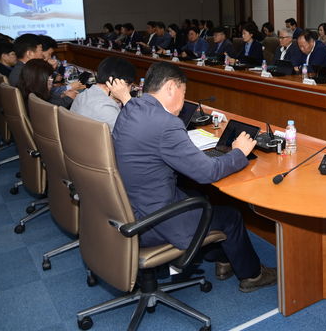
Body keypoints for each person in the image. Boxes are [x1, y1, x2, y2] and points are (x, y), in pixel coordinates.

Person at [112, 62, 276, 292]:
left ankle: (223, 260)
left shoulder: (131, 107)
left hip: (129, 206)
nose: (184, 99)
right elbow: (208, 172)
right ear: (171, 87)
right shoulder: (165, 124)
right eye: (184, 92)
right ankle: (253, 275)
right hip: (153, 221)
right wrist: (239, 152)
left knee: (200, 198)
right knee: (230, 216)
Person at [71, 57, 136, 131]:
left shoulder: (81, 96)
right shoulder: (107, 109)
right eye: (130, 85)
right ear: (117, 83)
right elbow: (136, 134)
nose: (130, 90)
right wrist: (126, 99)